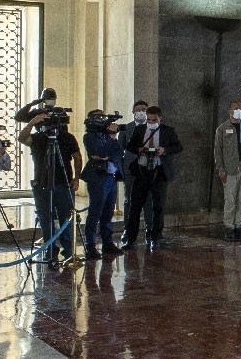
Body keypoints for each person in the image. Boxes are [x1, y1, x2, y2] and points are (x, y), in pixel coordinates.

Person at [22, 105, 82, 266]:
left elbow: (77, 157)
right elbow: (22, 138)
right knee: (45, 219)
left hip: (63, 182)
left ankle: (69, 253)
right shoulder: (39, 138)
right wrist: (32, 122)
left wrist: (77, 179)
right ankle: (50, 251)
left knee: (66, 218)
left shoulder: (67, 137)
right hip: (42, 184)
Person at [124, 106, 181, 250]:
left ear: (160, 118)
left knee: (158, 207)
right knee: (135, 206)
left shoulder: (168, 131)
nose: (151, 122)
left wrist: (164, 150)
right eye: (148, 120)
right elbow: (130, 146)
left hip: (159, 172)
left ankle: (155, 237)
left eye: (154, 120)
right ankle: (131, 238)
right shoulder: (139, 130)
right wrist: (139, 150)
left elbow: (178, 147)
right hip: (141, 172)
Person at [81, 111, 124, 258]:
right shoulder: (90, 137)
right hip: (97, 177)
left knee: (108, 212)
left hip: (111, 176)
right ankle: (90, 245)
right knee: (95, 211)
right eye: (98, 116)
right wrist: (111, 140)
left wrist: (108, 152)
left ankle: (107, 242)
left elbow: (118, 152)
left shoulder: (106, 136)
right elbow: (98, 152)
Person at [216, 103, 241, 241]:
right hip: (230, 169)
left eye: (240, 108)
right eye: (235, 108)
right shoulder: (223, 129)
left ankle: (240, 225)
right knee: (230, 199)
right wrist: (221, 169)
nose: (238, 111)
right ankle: (229, 226)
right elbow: (218, 151)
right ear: (229, 110)